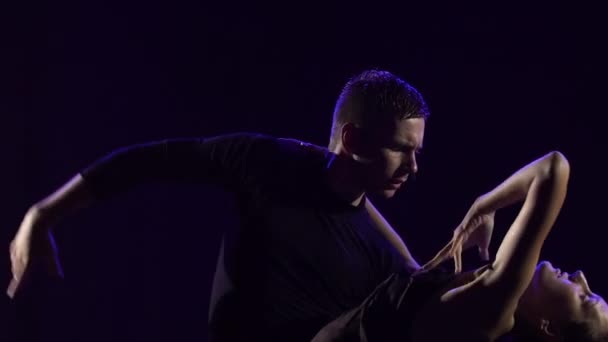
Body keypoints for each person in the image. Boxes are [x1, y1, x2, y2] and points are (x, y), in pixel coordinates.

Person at [8, 70, 461, 341]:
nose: (414, 168)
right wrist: (41, 214)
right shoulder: (268, 163)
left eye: (417, 151)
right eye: (401, 150)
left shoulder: (380, 255)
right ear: (353, 139)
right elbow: (148, 162)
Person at [311, 151, 608, 341]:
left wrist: (484, 206)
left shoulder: (492, 312)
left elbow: (554, 168)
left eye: (586, 298)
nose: (581, 276)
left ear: (549, 328)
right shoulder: (477, 301)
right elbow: (409, 274)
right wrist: (353, 194)